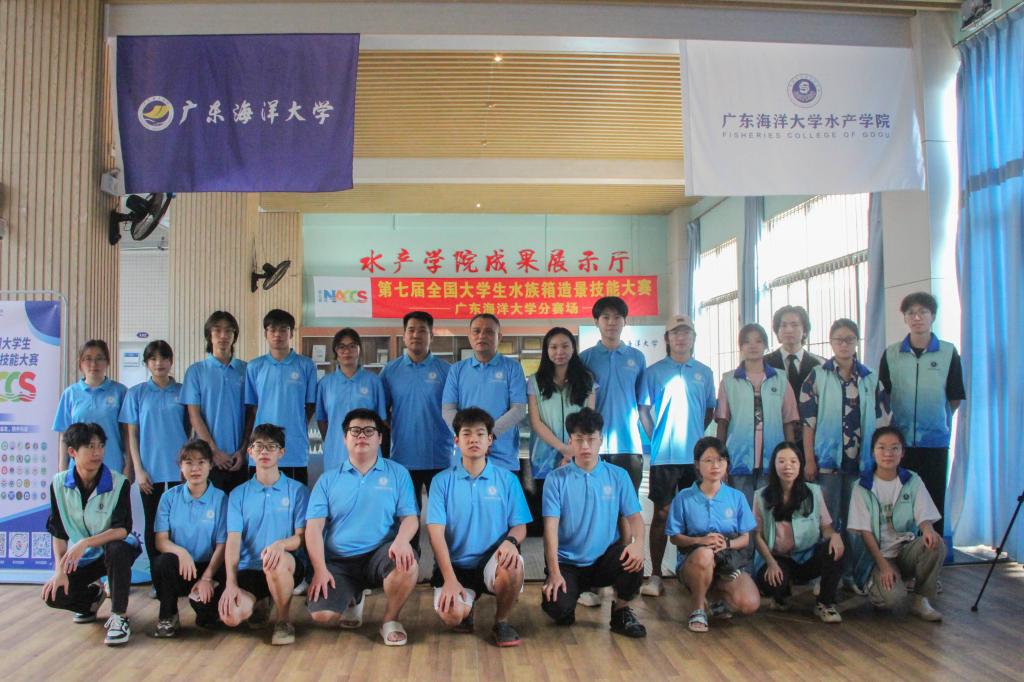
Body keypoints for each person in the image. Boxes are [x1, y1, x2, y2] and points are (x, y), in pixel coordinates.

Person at [306, 409, 419, 646]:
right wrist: (319, 569)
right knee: (322, 616)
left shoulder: (398, 473)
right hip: (340, 561)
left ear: (380, 438)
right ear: (344, 438)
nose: (361, 436)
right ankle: (353, 597)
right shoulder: (327, 480)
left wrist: (401, 541)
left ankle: (390, 620)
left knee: (407, 563)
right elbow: (313, 529)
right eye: (355, 431)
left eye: (369, 431)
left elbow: (410, 518)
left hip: (380, 555)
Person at [427, 407, 531, 647]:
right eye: (467, 434)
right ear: (456, 440)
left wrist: (511, 542)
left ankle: (501, 621)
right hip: (456, 566)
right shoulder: (441, 482)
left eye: (480, 434)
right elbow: (435, 534)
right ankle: (467, 603)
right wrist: (449, 579)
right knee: (452, 615)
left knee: (513, 565)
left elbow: (520, 526)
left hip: (492, 561)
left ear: (490, 439)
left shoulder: (507, 480)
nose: (474, 439)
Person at [540, 408, 647, 638]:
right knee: (558, 608)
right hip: (568, 562)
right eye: (579, 439)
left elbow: (636, 519)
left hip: (603, 560)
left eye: (591, 439)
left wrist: (638, 545)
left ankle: (620, 612)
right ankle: (567, 604)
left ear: (601, 439)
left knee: (634, 561)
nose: (585, 446)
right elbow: (550, 531)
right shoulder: (555, 479)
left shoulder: (618, 476)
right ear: (570, 441)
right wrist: (554, 572)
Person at [41, 423, 141, 646]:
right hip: (86, 556)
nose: (97, 452)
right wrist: (60, 571)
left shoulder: (118, 483)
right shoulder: (58, 484)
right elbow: (58, 532)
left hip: (118, 548)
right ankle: (91, 599)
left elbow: (122, 529)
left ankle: (119, 617)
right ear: (72, 452)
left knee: (116, 549)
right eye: (89, 446)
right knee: (54, 594)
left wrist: (85, 543)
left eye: (100, 446)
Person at [638, 314, 716, 597]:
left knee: (695, 516)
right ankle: (656, 574)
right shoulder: (654, 372)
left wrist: (696, 438)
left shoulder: (704, 372)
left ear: (693, 338)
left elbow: (709, 410)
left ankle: (691, 571)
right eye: (675, 333)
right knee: (661, 514)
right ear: (667, 338)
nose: (681, 338)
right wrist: (656, 438)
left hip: (695, 459)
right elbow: (644, 411)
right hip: (664, 457)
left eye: (686, 333)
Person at [878, 292, 965, 536]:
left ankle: (933, 554)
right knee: (901, 500)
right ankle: (904, 551)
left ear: (933, 316)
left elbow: (955, 396)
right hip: (901, 442)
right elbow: (884, 394)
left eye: (923, 312)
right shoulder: (892, 353)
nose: (917, 318)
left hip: (935, 441)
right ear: (905, 318)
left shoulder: (948, 352)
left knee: (933, 500)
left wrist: (937, 419)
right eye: (911, 313)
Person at [800, 319, 890, 542]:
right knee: (827, 518)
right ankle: (828, 563)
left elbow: (883, 423)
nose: (844, 344)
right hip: (827, 462)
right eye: (839, 339)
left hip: (862, 462)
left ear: (857, 342)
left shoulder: (870, 378)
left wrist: (880, 461)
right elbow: (808, 423)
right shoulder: (817, 376)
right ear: (831, 342)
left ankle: (854, 564)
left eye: (849, 339)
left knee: (857, 520)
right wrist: (809, 460)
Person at [218, 424, 309, 645]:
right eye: (258, 446)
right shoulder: (238, 494)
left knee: (274, 561)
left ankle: (283, 620)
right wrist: (231, 583)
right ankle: (261, 600)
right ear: (250, 452)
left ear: (281, 452)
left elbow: (301, 537)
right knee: (231, 617)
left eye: (271, 446)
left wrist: (280, 545)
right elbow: (233, 542)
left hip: (285, 564)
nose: (264, 452)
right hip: (250, 568)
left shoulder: (297, 490)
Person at [847, 427, 945, 622]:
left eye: (894, 448)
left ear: (902, 452)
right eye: (882, 448)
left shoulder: (912, 480)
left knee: (936, 544)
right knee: (892, 599)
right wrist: (883, 566)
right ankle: (877, 584)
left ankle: (921, 599)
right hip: (879, 556)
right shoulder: (862, 486)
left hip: (905, 550)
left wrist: (928, 529)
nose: (888, 453)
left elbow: (923, 515)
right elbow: (865, 532)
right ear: (873, 452)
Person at [666, 437, 760, 633]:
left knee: (750, 603)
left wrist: (727, 544)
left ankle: (716, 598)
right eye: (708, 460)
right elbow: (674, 537)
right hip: (694, 561)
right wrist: (701, 541)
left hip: (727, 561)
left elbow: (745, 538)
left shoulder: (736, 497)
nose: (715, 465)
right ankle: (698, 608)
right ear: (697, 464)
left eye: (720, 460)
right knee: (705, 554)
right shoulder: (684, 497)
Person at [380, 311, 452, 552]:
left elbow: (455, 410)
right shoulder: (390, 371)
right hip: (403, 457)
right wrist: (401, 426)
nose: (416, 335)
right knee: (407, 517)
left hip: (440, 456)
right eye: (411, 330)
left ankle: (442, 567)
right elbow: (382, 412)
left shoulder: (446, 370)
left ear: (432, 335)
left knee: (442, 517)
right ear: (404, 335)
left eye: (422, 330)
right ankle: (408, 562)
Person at [752, 442, 844, 623]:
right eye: (781, 461)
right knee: (774, 582)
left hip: (807, 557)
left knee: (836, 549)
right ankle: (781, 596)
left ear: (800, 465)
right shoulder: (761, 496)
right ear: (773, 465)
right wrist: (770, 562)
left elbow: (826, 528)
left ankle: (825, 603)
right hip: (777, 558)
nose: (788, 466)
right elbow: (757, 535)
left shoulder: (814, 492)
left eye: (793, 461)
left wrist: (834, 536)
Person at [119, 339, 190, 574]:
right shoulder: (136, 393)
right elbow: (132, 435)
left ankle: (177, 575)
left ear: (171, 361)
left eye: (164, 358)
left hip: (180, 472)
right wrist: (138, 470)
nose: (159, 363)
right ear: (146, 363)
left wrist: (189, 467)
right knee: (153, 524)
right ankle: (157, 577)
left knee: (179, 524)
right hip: (150, 472)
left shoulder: (182, 391)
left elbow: (190, 429)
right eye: (153, 359)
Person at [151, 439, 228, 637]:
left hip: (209, 567)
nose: (195, 468)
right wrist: (181, 553)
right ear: (180, 466)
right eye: (189, 463)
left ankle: (205, 611)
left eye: (201, 462)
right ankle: (168, 615)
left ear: (210, 465)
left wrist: (207, 577)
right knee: (162, 562)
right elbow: (161, 541)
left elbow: (222, 545)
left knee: (208, 620)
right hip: (181, 567)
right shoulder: (169, 497)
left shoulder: (220, 498)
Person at [716, 323, 799, 505]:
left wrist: (791, 457)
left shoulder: (780, 378)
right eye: (747, 342)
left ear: (766, 345)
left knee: (768, 510)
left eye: (758, 341)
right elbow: (722, 422)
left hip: (773, 458)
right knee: (741, 510)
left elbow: (788, 421)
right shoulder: (729, 380)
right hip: (738, 457)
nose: (752, 346)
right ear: (740, 347)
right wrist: (719, 459)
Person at [526, 326, 595, 533]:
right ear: (546, 351)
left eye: (565, 346)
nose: (559, 352)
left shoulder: (587, 380)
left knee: (575, 515)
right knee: (548, 516)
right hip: (544, 456)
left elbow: (589, 420)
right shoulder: (535, 381)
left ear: (573, 348)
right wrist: (564, 449)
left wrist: (572, 451)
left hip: (579, 454)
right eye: (553, 347)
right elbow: (536, 422)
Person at [441, 314, 527, 472]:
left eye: (489, 331)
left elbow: (519, 409)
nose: (481, 336)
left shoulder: (513, 368)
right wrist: (470, 437)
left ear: (499, 337)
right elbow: (448, 409)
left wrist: (489, 436)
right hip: (466, 457)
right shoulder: (457, 370)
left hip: (503, 457)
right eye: (476, 331)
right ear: (469, 336)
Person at [580, 296, 646, 493]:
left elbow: (642, 402)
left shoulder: (637, 357)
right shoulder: (585, 358)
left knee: (628, 504)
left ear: (625, 321)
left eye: (617, 317)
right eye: (605, 317)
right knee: (595, 503)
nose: (611, 322)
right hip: (594, 444)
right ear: (596, 321)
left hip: (628, 444)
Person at [181, 310, 251, 493]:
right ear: (209, 335)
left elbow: (252, 413)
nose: (223, 335)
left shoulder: (246, 370)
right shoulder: (196, 372)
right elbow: (194, 416)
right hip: (206, 459)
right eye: (217, 330)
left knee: (239, 509)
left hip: (239, 459)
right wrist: (213, 451)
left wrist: (243, 450)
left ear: (235, 335)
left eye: (229, 330)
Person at [245, 309, 317, 485]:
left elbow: (310, 405)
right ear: (265, 333)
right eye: (272, 330)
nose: (277, 334)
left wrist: (296, 424)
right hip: (262, 449)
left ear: (291, 333)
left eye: (283, 329)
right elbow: (252, 407)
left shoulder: (306, 365)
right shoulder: (254, 367)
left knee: (296, 497)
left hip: (294, 448)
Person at [315, 328, 387, 473]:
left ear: (359, 350)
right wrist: (335, 438)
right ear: (335, 351)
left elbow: (381, 420)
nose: (347, 351)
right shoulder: (325, 383)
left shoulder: (373, 381)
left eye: (352, 346)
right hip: (336, 452)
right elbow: (322, 421)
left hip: (368, 451)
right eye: (341, 347)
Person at [53, 340, 128, 473]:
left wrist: (129, 466)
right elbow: (64, 435)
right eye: (88, 359)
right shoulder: (70, 393)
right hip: (78, 470)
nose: (94, 364)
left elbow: (127, 434)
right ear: (80, 364)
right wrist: (62, 470)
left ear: (107, 362)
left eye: (99, 358)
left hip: (112, 467)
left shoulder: (120, 392)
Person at [765, 305, 823, 447]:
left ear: (805, 331)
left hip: (811, 437)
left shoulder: (819, 365)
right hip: (775, 435)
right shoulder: (764, 364)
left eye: (795, 325)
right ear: (777, 332)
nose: (789, 330)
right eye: (783, 325)